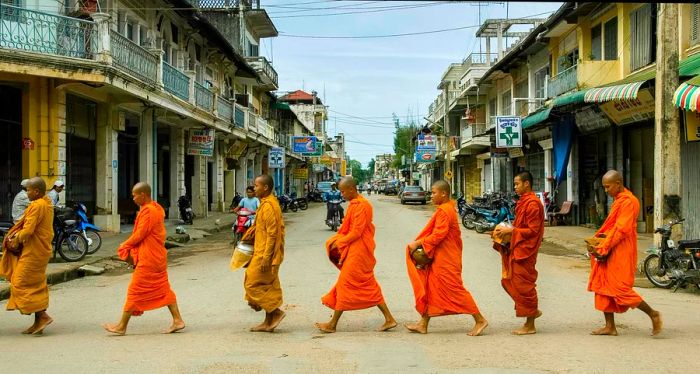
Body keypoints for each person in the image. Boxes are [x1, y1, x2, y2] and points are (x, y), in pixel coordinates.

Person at [405, 180, 488, 336]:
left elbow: (438, 235)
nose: (431, 195)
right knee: (430, 288)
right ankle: (423, 324)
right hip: (440, 256)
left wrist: (418, 242)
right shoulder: (445, 208)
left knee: (454, 289)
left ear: (443, 193)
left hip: (447, 257)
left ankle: (480, 319)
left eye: (434, 192)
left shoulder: (445, 210)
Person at [315, 177, 397, 333]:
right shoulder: (354, 204)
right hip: (354, 249)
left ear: (352, 189)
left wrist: (340, 242)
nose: (342, 194)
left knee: (346, 283)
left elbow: (357, 232)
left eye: (343, 191)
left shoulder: (362, 205)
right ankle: (389, 319)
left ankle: (332, 324)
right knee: (366, 283)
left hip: (360, 251)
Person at [103, 182, 185, 335]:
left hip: (149, 258)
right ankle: (178, 320)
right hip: (157, 257)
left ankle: (121, 326)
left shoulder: (149, 211)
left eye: (134, 195)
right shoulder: (156, 208)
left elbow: (140, 234)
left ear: (143, 195)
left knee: (135, 290)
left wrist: (124, 245)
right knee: (163, 289)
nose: (133, 198)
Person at [587, 170, 662, 336]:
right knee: (603, 285)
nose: (606, 190)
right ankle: (610, 326)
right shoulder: (618, 201)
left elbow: (621, 230)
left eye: (607, 187)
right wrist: (597, 241)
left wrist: (605, 247)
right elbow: (610, 227)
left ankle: (653, 314)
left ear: (618, 184)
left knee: (620, 288)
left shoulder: (629, 202)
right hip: (609, 245)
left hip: (621, 248)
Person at [492, 171, 544, 335]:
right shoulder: (523, 202)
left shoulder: (533, 204)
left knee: (524, 286)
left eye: (517, 184)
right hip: (517, 247)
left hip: (526, 250)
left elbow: (533, 230)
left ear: (526, 184)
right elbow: (518, 226)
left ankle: (530, 324)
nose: (515, 187)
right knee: (507, 281)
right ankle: (531, 311)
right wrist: (504, 233)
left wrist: (512, 232)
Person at [0, 177, 55, 335]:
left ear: (36, 191)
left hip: (34, 252)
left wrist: (15, 239)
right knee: (35, 284)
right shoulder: (46, 203)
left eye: (28, 190)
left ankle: (43, 316)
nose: (27, 193)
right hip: (40, 250)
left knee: (19, 282)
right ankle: (39, 320)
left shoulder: (37, 205)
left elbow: (28, 231)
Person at [241, 174, 286, 332]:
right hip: (260, 251)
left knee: (251, 284)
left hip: (266, 254)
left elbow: (272, 234)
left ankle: (276, 312)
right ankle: (268, 321)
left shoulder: (269, 206)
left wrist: (267, 258)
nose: (254, 188)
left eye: (257, 185)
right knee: (266, 286)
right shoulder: (264, 203)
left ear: (265, 187)